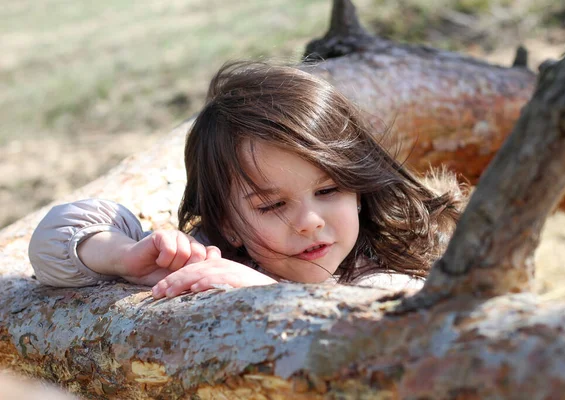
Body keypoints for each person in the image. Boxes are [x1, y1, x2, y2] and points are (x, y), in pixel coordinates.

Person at [28, 61, 465, 299]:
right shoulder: (208, 260)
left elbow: (375, 330)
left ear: (358, 188)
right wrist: (125, 257)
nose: (310, 220)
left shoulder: (385, 274)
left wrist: (267, 296)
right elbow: (53, 239)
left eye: (328, 190)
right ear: (229, 220)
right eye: (272, 205)